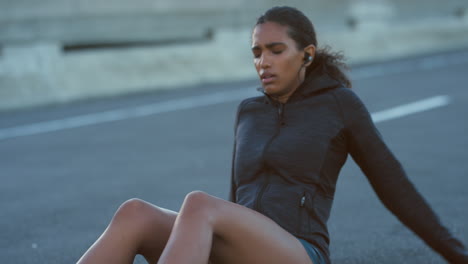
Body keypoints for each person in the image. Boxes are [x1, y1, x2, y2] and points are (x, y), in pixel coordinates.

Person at [77, 6, 468, 264]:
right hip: (243, 248)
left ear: (307, 54)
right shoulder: (248, 111)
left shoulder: (340, 105)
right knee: (135, 213)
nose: (263, 61)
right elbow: (237, 200)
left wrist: (456, 254)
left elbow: (395, 188)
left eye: (276, 50)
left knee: (198, 203)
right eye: (256, 51)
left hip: (299, 250)